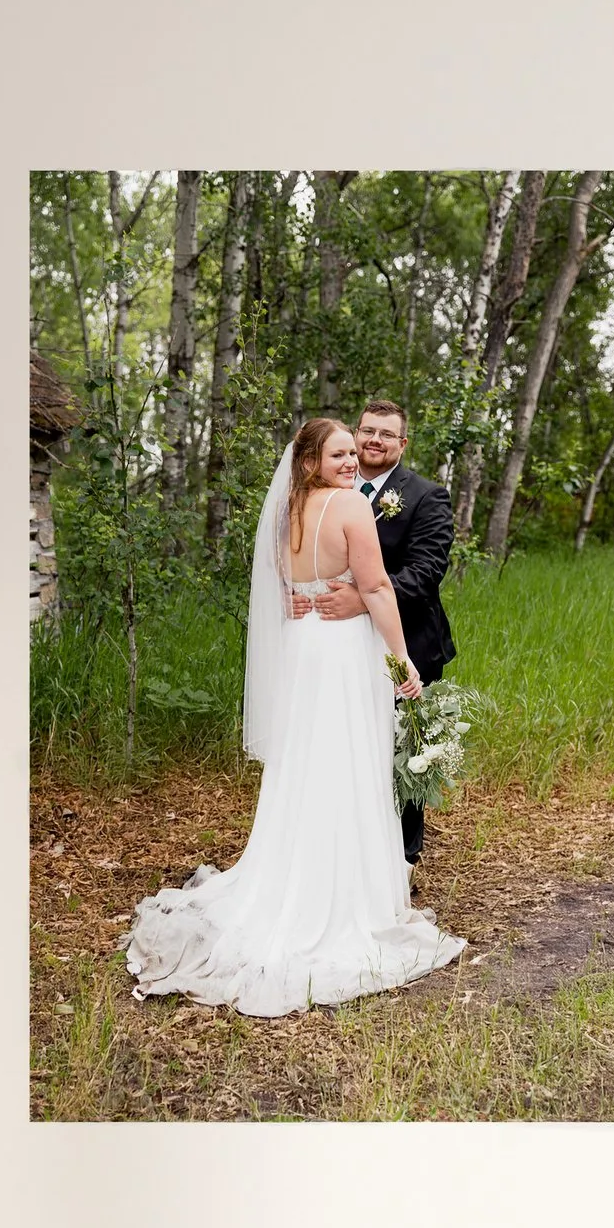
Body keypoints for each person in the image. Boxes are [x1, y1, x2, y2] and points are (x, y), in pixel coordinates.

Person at [122, 419, 465, 1019]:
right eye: (340, 452)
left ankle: (295, 874)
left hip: (305, 644)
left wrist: (304, 596)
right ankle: (344, 896)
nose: (353, 459)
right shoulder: (353, 508)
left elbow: (281, 585)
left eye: (352, 452)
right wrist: (401, 659)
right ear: (312, 458)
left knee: (309, 760)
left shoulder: (287, 509)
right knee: (349, 759)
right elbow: (379, 588)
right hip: (342, 649)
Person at [304, 398, 458, 860]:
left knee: (402, 755)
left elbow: (426, 570)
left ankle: (403, 860)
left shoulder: (426, 496)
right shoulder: (325, 490)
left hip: (405, 641)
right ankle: (347, 855)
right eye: (367, 430)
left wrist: (364, 598)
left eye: (386, 434)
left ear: (402, 443)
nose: (373, 440)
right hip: (339, 647)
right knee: (347, 749)